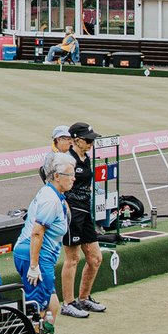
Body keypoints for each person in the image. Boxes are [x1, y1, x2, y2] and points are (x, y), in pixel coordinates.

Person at [11, 152, 76, 334]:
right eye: (70, 174)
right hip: (35, 256)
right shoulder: (50, 199)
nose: (73, 178)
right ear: (57, 176)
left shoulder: (56, 195)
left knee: (53, 305)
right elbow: (37, 234)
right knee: (37, 311)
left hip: (38, 256)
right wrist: (34, 266)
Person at [58, 122, 107, 318]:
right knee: (73, 259)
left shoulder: (85, 158)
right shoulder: (66, 159)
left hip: (85, 212)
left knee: (95, 258)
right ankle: (68, 303)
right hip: (72, 213)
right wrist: (64, 205)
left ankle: (84, 299)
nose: (91, 143)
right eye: (88, 140)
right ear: (76, 139)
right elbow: (52, 181)